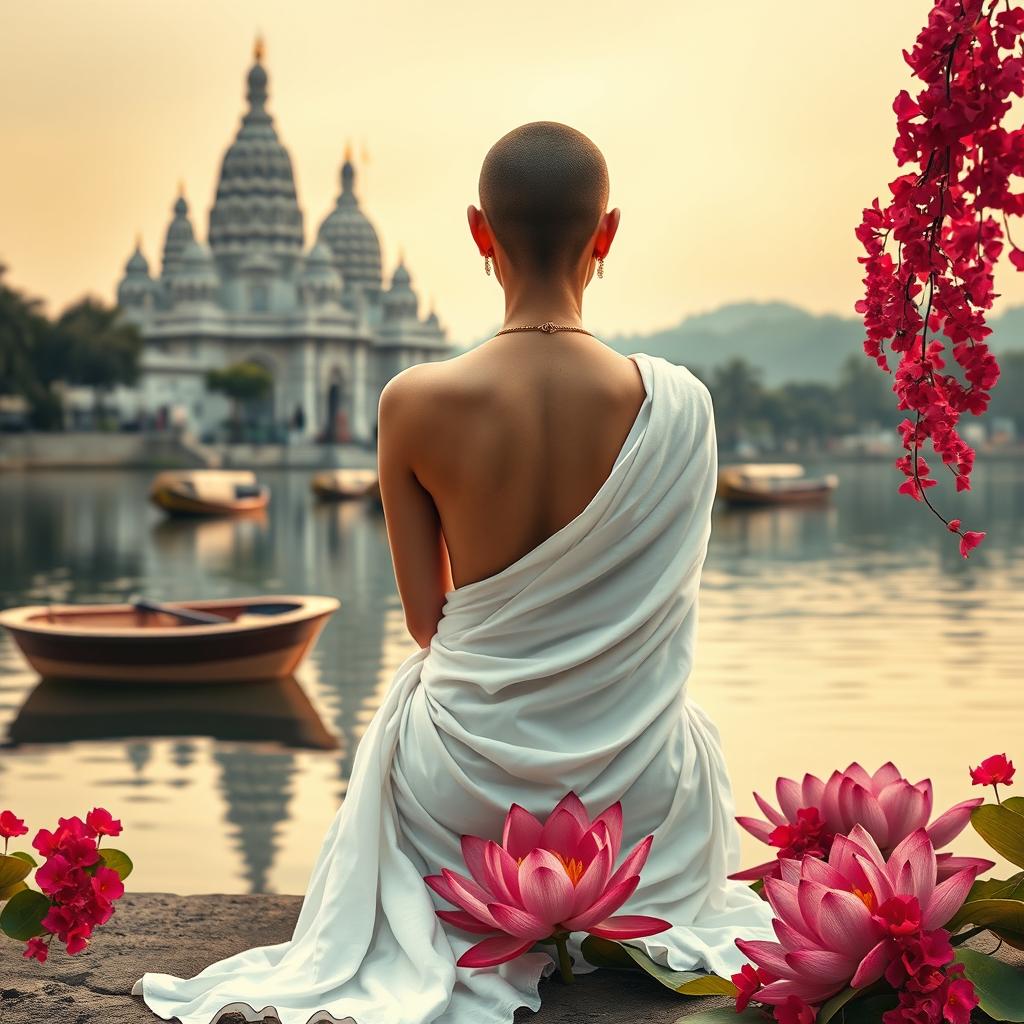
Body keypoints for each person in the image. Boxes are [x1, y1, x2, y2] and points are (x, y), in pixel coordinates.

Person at [131, 121, 773, 1024]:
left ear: (479, 232)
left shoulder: (413, 403)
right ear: (608, 232)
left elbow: (428, 622)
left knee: (401, 710)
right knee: (690, 728)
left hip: (465, 793)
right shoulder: (683, 406)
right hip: (640, 800)